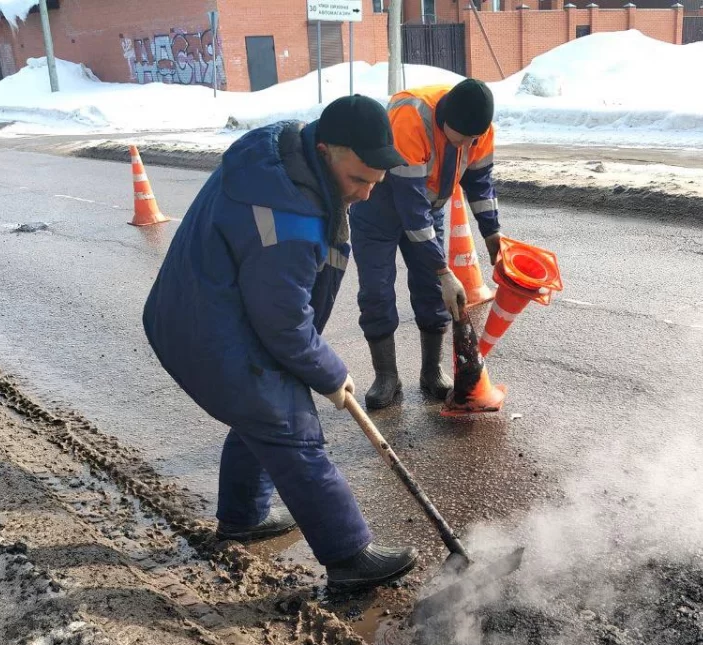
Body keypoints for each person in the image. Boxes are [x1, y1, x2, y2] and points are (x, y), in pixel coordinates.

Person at [143, 96, 418, 589]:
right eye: (358, 180)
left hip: (200, 304)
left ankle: (243, 518)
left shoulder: (282, 152)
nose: (365, 195)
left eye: (376, 183)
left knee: (261, 414)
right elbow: (285, 324)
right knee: (290, 425)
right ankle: (348, 555)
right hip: (209, 328)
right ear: (327, 148)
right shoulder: (289, 221)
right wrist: (333, 375)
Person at [350, 78, 507, 409]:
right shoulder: (411, 118)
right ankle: (386, 376)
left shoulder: (479, 129)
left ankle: (431, 370)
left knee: (432, 292)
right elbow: (411, 206)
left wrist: (492, 234)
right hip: (378, 206)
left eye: (473, 138)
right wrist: (443, 269)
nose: (467, 143)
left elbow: (480, 183)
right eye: (461, 137)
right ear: (445, 119)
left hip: (428, 207)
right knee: (376, 290)